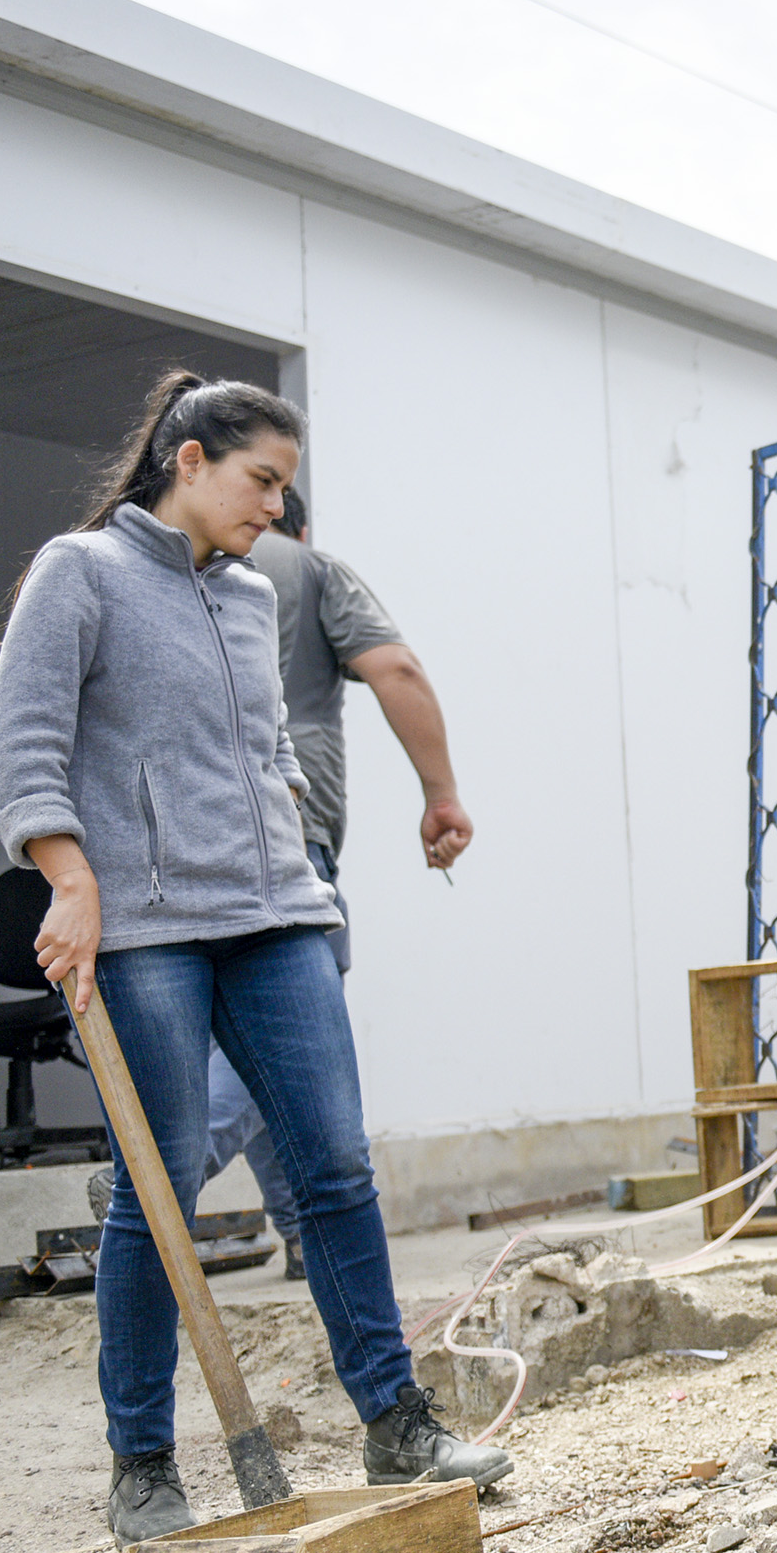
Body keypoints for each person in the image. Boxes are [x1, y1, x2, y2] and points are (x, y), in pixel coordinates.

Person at [0, 372, 513, 1543]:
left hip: (276, 916)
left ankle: (397, 1422)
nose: (276, 504)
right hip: (147, 935)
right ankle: (143, 1463)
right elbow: (20, 743)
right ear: (187, 458)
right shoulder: (82, 572)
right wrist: (72, 877)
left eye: (282, 483)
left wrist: (308, 886)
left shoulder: (244, 597)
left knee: (333, 1170)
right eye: (259, 478)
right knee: (157, 1192)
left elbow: (268, 757)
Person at [187, 489, 473, 1277]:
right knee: (287, 1035)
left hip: (177, 837)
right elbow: (396, 668)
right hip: (286, 830)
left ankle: (303, 1234)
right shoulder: (307, 569)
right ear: (291, 520)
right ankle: (161, 1174)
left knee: (245, 1026)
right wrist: (440, 796)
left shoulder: (167, 564)